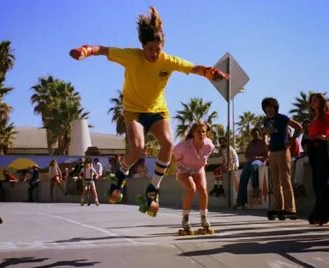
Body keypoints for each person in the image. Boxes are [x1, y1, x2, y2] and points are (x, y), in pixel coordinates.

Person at [70, 6, 229, 213]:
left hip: (157, 111)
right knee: (137, 148)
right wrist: (85, 51)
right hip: (133, 110)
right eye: (151, 49)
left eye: (158, 49)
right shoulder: (131, 56)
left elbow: (192, 68)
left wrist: (210, 73)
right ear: (142, 46)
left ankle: (153, 187)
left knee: (168, 143)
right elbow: (103, 49)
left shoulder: (167, 60)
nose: (155, 54)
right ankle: (120, 177)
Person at [262, 97, 302, 220]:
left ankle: (291, 208)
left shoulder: (283, 118)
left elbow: (298, 127)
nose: (268, 109)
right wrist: (265, 143)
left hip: (283, 151)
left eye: (270, 106)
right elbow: (264, 133)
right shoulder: (266, 121)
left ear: (275, 107)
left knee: (285, 179)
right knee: (275, 182)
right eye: (266, 107)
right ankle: (279, 208)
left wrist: (291, 140)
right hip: (272, 152)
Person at [172, 121, 215, 235]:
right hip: (184, 170)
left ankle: (204, 218)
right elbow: (173, 157)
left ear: (206, 133)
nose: (201, 134)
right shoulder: (183, 146)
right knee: (191, 189)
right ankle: (185, 219)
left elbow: (205, 158)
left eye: (203, 132)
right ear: (193, 133)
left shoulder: (209, 145)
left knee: (203, 190)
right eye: (198, 132)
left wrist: (202, 162)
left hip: (198, 170)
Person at [306, 93, 329, 226]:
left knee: (324, 183)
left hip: (323, 149)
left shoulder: (326, 115)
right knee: (316, 184)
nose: (314, 102)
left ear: (322, 102)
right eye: (312, 100)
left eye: (317, 100)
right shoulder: (313, 118)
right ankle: (320, 214)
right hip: (314, 150)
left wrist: (327, 136)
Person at [234, 128, 268, 209]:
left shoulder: (263, 142)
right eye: (253, 134)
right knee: (244, 172)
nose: (254, 135)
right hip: (251, 160)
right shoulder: (251, 143)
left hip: (261, 160)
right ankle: (241, 201)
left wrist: (258, 157)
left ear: (259, 134)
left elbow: (268, 154)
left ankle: (255, 187)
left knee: (253, 166)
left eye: (256, 133)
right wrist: (250, 157)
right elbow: (246, 154)